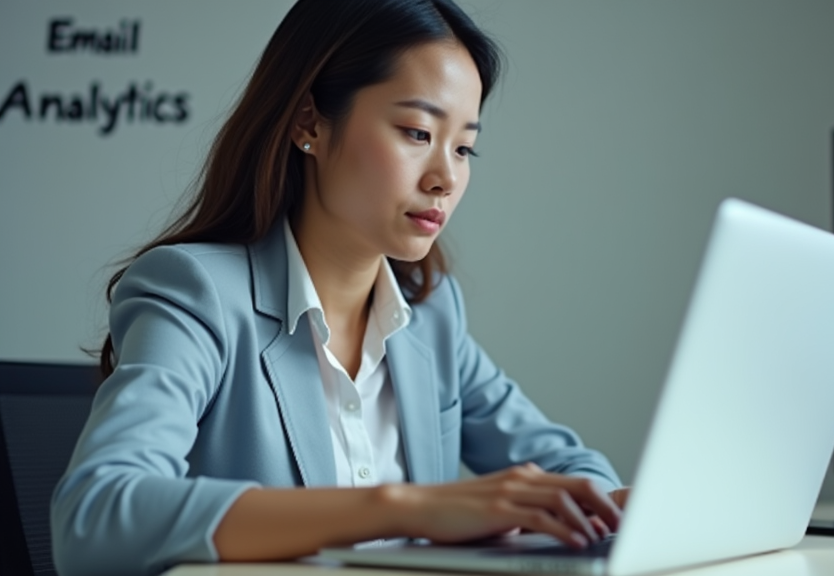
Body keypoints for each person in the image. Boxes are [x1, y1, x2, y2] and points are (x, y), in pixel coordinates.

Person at [51, 1, 627, 575]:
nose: (445, 179)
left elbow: (569, 468)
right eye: (417, 132)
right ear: (309, 123)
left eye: (463, 147)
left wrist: (608, 507)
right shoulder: (198, 293)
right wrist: (402, 508)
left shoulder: (431, 316)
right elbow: (95, 516)